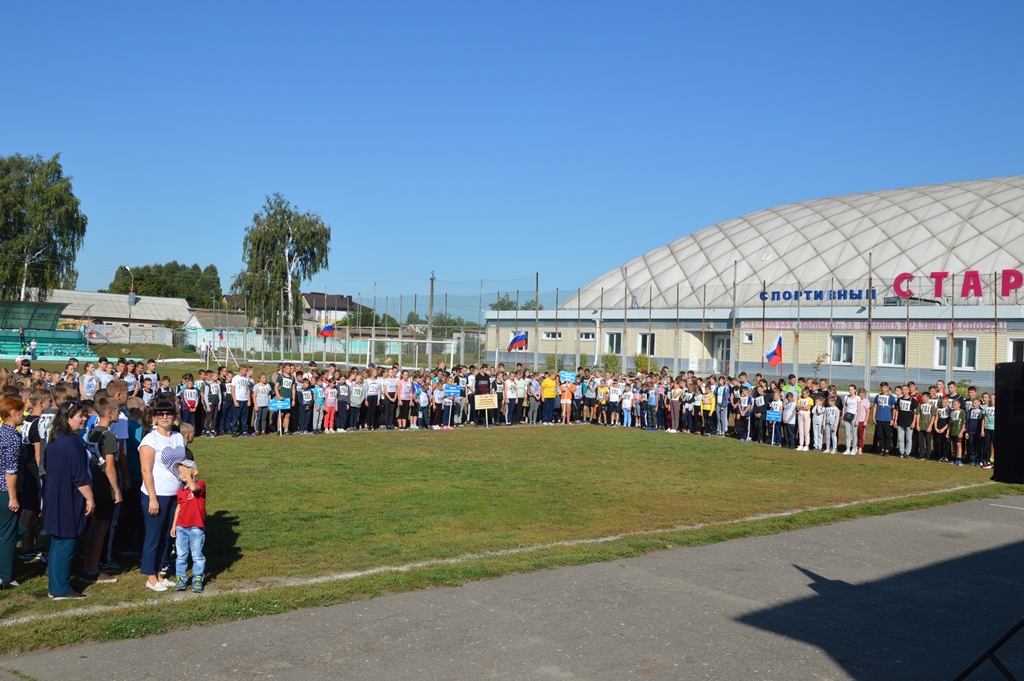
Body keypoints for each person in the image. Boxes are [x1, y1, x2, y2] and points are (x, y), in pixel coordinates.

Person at [43, 400, 96, 599]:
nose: (84, 419)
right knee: (67, 539)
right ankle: (60, 588)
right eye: (80, 416)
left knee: (58, 540)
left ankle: (55, 583)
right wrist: (90, 498)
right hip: (68, 496)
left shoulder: (55, 437)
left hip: (54, 493)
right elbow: (79, 476)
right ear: (68, 418)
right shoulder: (72, 442)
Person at [138, 396, 185, 592]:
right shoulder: (150, 439)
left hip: (175, 494)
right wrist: (153, 498)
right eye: (160, 414)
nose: (165, 417)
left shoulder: (178, 436)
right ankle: (151, 576)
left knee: (167, 536)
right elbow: (146, 471)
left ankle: (160, 572)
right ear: (154, 417)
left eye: (168, 413)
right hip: (156, 494)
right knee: (153, 536)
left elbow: (181, 464)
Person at [82, 396, 123, 584]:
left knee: (94, 526)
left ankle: (88, 564)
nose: (119, 414)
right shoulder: (109, 437)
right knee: (102, 527)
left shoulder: (91, 432)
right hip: (105, 487)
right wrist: (117, 490)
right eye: (117, 411)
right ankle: (92, 569)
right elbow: (109, 467)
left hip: (93, 484)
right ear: (109, 413)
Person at [170, 460, 206, 593]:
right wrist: (174, 525)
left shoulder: (200, 485)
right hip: (181, 527)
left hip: (196, 527)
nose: (182, 473)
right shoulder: (180, 490)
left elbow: (194, 488)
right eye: (180, 472)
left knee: (197, 555)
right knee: (181, 555)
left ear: (194, 472)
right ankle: (181, 578)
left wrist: (189, 477)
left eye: (185, 470)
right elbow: (178, 508)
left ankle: (197, 578)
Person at [0, 396, 24, 589]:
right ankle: (6, 576)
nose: (23, 414)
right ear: (13, 413)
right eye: (21, 411)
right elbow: (11, 470)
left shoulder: (2, 433)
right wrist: (13, 497)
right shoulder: (12, 437)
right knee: (8, 535)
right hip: (6, 491)